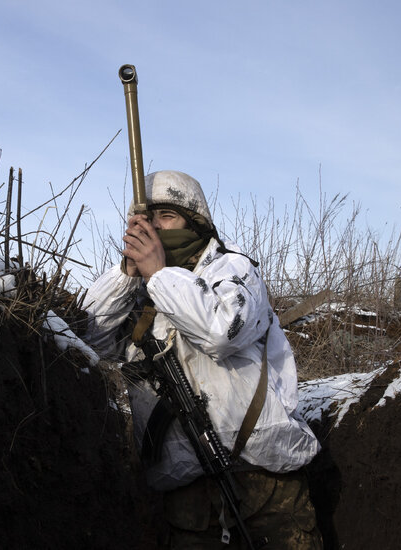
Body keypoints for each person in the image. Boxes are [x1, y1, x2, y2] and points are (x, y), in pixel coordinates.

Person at [83, 170, 322, 549]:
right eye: (146, 222)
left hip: (267, 486)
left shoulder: (233, 271)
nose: (155, 230)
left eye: (166, 217)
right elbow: (87, 340)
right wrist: (127, 276)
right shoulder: (141, 296)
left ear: (194, 222)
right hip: (188, 503)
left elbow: (222, 330)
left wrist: (160, 275)